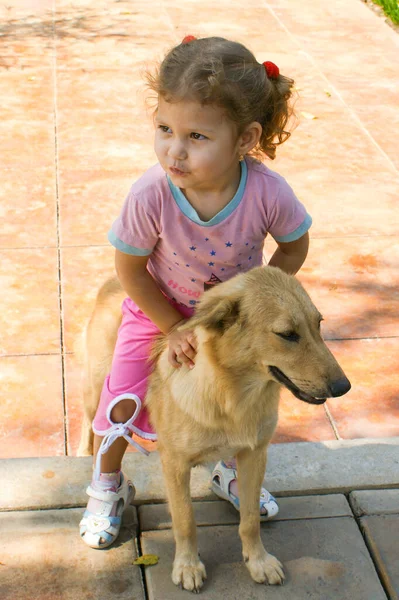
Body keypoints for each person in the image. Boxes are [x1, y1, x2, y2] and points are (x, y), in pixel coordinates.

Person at [80, 35, 312, 549]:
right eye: (164, 129)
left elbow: (295, 247)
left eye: (196, 136)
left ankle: (231, 468)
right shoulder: (151, 194)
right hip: (160, 308)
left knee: (241, 396)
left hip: (229, 317)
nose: (173, 150)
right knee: (120, 397)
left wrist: (262, 298)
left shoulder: (268, 192)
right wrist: (172, 324)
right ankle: (107, 484)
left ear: (245, 139)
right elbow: (130, 269)